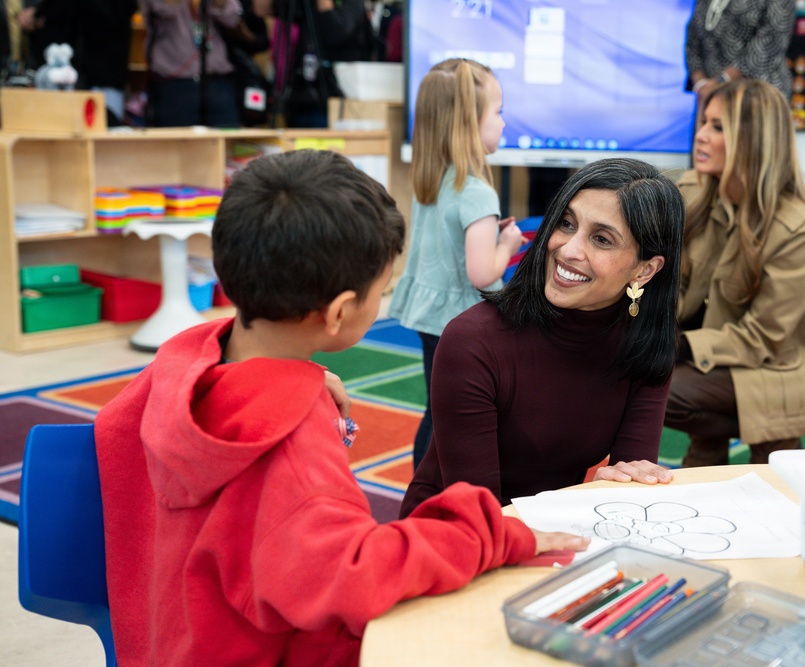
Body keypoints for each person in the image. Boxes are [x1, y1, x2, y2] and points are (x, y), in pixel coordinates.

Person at [93, 149, 589, 667]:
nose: (382, 301)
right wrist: (494, 534)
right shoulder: (290, 452)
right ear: (337, 313)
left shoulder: (174, 369)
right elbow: (357, 576)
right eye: (382, 291)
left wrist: (295, 376)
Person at [400, 157, 685, 517]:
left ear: (645, 270)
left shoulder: (643, 345)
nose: (567, 249)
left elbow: (630, 484)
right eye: (566, 223)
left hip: (554, 529)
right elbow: (481, 516)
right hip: (453, 537)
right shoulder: (472, 341)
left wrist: (616, 490)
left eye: (601, 239)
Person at [665, 79, 805, 467]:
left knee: (661, 389)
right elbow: (677, 287)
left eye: (717, 127)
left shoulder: (797, 227)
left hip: (778, 368)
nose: (701, 136)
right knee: (627, 367)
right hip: (721, 353)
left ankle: (776, 447)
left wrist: (679, 347)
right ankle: (709, 455)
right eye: (703, 122)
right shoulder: (695, 191)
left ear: (752, 139)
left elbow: (762, 338)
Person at [388, 58, 527, 468]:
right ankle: (443, 492)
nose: (503, 122)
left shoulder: (433, 177)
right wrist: (508, 243)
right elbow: (483, 273)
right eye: (498, 113)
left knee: (436, 408)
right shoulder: (478, 192)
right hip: (463, 320)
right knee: (456, 415)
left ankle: (424, 492)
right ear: (469, 122)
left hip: (429, 314)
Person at [254, 0, 374, 127]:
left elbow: (337, 32)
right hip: (300, 96)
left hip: (334, 97)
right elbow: (261, 8)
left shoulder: (352, 3)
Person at [140, 0, 242, 127]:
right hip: (175, 83)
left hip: (217, 80)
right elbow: (164, 9)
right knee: (177, 143)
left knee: (226, 139)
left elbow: (232, 18)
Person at [685, 0, 796, 109]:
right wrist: (701, 84)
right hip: (709, 96)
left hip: (757, 95)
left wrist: (721, 82)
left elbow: (771, 40)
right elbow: (693, 37)